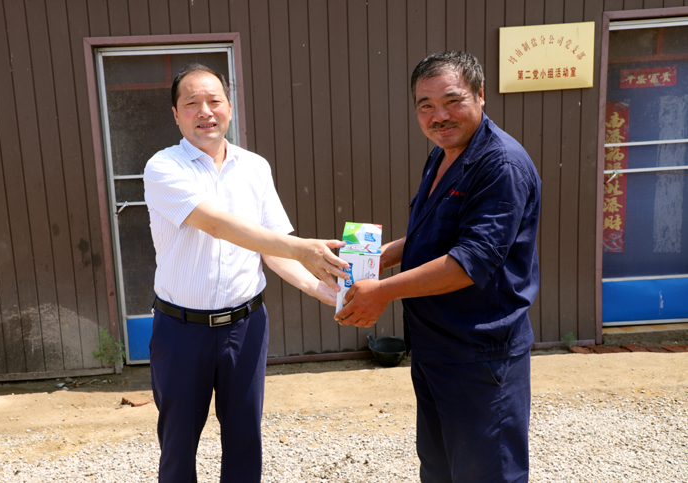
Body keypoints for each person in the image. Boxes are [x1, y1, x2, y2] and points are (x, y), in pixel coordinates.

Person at [335, 51, 541, 483]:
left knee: (487, 474)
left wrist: (383, 290)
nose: (439, 116)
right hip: (436, 348)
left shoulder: (500, 165)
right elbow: (438, 235)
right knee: (440, 469)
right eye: (425, 106)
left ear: (480, 95)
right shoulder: (444, 153)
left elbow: (471, 261)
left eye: (452, 101)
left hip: (480, 354)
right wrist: (383, 255)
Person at [143, 63, 347, 482]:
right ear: (176, 115)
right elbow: (217, 224)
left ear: (230, 108)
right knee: (178, 446)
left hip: (246, 326)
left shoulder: (255, 167)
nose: (205, 111)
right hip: (181, 330)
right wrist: (303, 248)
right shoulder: (164, 168)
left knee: (244, 441)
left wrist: (320, 288)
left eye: (214, 101)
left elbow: (272, 248)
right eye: (192, 103)